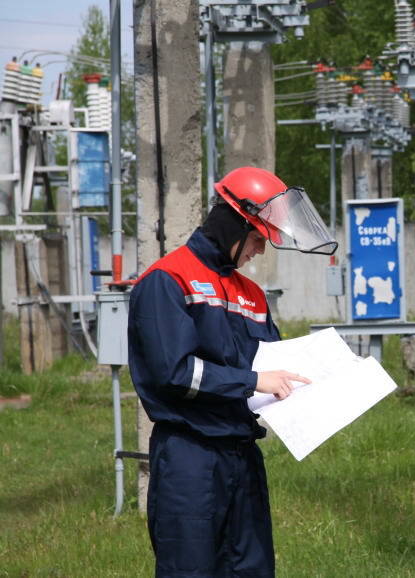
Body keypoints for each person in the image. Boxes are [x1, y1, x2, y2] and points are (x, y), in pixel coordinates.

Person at [128, 166, 337, 577]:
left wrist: (324, 384)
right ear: (233, 224)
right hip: (191, 457)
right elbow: (174, 373)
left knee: (251, 569)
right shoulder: (168, 280)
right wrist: (253, 381)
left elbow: (274, 363)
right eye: (259, 238)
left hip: (243, 457)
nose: (260, 251)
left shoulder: (253, 294)